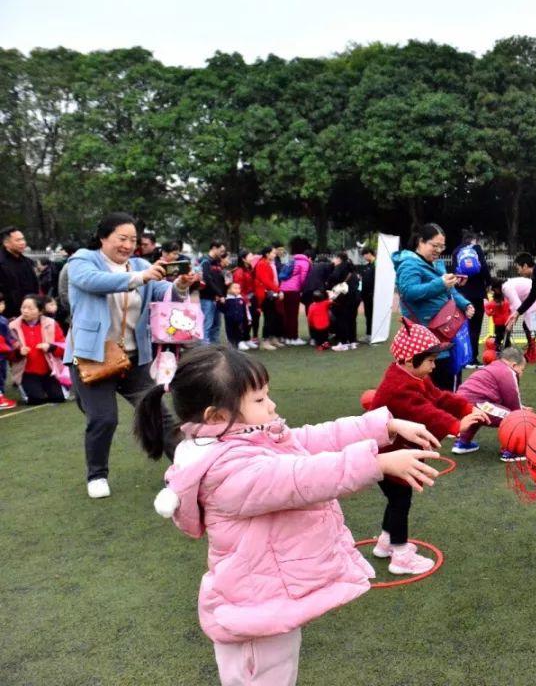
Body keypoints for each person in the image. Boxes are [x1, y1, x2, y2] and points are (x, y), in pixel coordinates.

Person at [135, 345, 441, 686]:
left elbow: (317, 437)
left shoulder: (246, 438)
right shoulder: (227, 469)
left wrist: (386, 426)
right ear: (216, 416)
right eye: (259, 399)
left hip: (267, 599)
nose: (271, 405)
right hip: (253, 615)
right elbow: (300, 478)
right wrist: (377, 463)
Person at [66, 212, 200, 499]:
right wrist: (140, 277)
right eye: (122, 238)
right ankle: (97, 475)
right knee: (104, 419)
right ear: (103, 237)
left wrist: (180, 285)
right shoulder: (82, 260)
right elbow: (93, 282)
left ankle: (188, 469)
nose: (127, 245)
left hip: (135, 357)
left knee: (158, 413)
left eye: (133, 240)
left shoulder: (140, 265)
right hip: (93, 357)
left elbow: (162, 292)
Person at [369, 320, 489, 566]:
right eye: (430, 361)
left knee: (397, 499)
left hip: (394, 453)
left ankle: (386, 542)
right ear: (410, 359)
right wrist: (456, 425)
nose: (434, 366)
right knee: (400, 500)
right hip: (386, 455)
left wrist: (466, 408)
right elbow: (425, 412)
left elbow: (438, 398)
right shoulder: (398, 387)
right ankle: (400, 555)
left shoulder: (414, 376)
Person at [392, 223, 475, 391]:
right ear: (421, 241)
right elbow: (408, 292)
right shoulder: (409, 264)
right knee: (438, 385)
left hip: (444, 333)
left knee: (447, 382)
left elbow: (449, 291)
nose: (438, 250)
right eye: (435, 245)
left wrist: (465, 304)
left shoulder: (437, 264)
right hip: (425, 336)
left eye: (442, 246)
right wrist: (440, 283)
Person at [454, 346, 527, 460]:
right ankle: (511, 451)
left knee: (477, 416)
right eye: (522, 370)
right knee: (513, 418)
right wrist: (523, 414)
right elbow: (513, 404)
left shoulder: (492, 367)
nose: (521, 374)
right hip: (478, 402)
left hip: (461, 402)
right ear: (513, 365)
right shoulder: (508, 372)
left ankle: (462, 442)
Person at [8, 294, 67, 405]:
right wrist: (19, 352)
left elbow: (63, 347)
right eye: (23, 307)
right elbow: (8, 353)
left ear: (40, 311)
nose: (25, 311)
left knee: (58, 398)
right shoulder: (12, 327)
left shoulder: (51, 324)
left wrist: (51, 347)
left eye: (30, 308)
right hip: (26, 372)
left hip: (49, 371)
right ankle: (27, 389)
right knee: (36, 400)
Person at [450, 230, 491, 368]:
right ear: (474, 240)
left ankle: (462, 358)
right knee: (475, 327)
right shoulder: (477, 249)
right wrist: (489, 282)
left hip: (461, 294)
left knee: (462, 327)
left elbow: (454, 271)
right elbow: (484, 268)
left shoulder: (456, 251)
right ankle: (473, 358)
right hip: (477, 293)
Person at [0, 227, 41, 314]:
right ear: (6, 243)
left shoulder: (27, 262)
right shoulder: (2, 263)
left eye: (23, 239)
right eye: (18, 240)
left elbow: (35, 287)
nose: (23, 243)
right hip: (8, 314)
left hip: (30, 313)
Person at [279, 237, 311, 346]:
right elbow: (303, 278)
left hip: (283, 290)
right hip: (294, 291)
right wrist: (302, 289)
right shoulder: (304, 262)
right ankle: (293, 337)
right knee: (293, 315)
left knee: (286, 315)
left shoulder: (289, 259)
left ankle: (286, 337)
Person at [328, 253, 361, 351]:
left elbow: (332, 278)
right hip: (355, 297)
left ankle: (343, 343)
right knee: (352, 319)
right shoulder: (351, 267)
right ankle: (352, 342)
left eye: (335, 258)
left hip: (344, 298)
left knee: (342, 320)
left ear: (339, 259)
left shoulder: (339, 267)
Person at [197, 241, 228, 345]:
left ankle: (215, 349)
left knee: (216, 326)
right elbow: (208, 280)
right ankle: (204, 350)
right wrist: (220, 294)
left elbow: (218, 280)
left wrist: (222, 293)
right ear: (214, 248)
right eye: (221, 250)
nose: (222, 253)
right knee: (207, 325)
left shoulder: (217, 262)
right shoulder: (205, 261)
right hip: (207, 298)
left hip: (217, 299)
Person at [253, 246, 283, 350]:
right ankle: (265, 341)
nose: (275, 254)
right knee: (269, 317)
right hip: (265, 294)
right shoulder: (262, 264)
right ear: (267, 254)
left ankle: (271, 338)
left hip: (269, 293)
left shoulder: (267, 263)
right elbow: (266, 280)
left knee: (273, 317)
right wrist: (278, 290)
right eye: (273, 253)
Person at [232, 250, 258, 349]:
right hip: (243, 299)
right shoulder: (239, 271)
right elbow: (239, 288)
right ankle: (240, 341)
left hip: (252, 297)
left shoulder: (249, 269)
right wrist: (246, 300)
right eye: (250, 256)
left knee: (250, 320)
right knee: (243, 320)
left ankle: (247, 339)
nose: (252, 258)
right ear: (243, 259)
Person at [0, 291, 18, 409]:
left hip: (2, 354)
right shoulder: (2, 321)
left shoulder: (3, 320)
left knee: (2, 374)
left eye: (2, 303)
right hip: (1, 353)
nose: (2, 305)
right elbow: (7, 338)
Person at [221, 282, 250, 350]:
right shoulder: (227, 299)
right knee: (230, 332)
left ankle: (239, 342)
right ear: (228, 290)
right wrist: (221, 303)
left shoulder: (241, 299)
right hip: (229, 320)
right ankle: (231, 343)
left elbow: (244, 310)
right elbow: (223, 309)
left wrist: (246, 319)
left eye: (238, 288)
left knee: (239, 331)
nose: (237, 290)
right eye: (235, 288)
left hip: (239, 320)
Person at [484, 278, 512, 348]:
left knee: (506, 339)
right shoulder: (493, 302)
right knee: (499, 338)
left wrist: (511, 315)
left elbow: (511, 308)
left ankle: (506, 351)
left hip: (507, 322)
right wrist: (491, 312)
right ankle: (498, 350)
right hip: (498, 324)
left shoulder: (507, 298)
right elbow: (487, 309)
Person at [358, 246, 376, 341]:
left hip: (372, 295)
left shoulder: (376, 264)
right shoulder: (367, 266)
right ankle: (369, 334)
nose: (364, 257)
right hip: (366, 295)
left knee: (371, 315)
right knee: (368, 314)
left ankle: (371, 334)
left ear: (369, 253)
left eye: (364, 255)